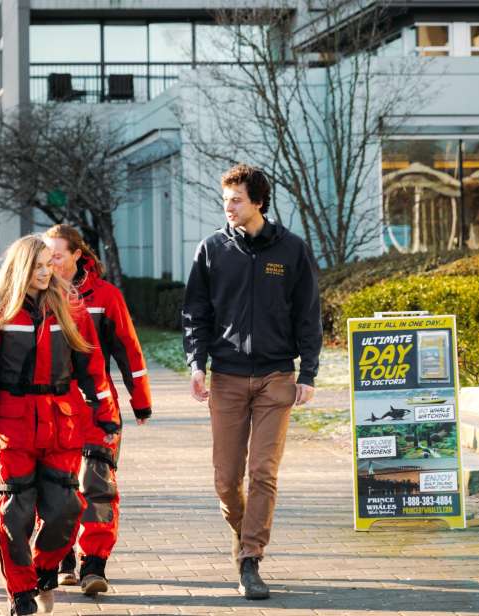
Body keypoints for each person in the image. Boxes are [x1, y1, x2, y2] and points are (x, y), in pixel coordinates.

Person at [182, 164, 321, 600]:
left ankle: (250, 559)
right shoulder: (211, 249)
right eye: (225, 199)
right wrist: (195, 364)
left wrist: (309, 372)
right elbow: (195, 313)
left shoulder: (292, 251)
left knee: (263, 471)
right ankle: (244, 535)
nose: (229, 207)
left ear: (258, 201)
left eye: (236, 199)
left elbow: (308, 315)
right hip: (226, 376)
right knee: (226, 479)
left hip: (276, 377)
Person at [0, 235, 119, 616]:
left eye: (49, 263)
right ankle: (20, 592)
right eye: (38, 265)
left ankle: (44, 570)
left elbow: (92, 368)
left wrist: (106, 415)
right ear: (20, 268)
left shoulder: (69, 306)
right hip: (11, 426)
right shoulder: (0, 311)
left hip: (60, 423)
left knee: (66, 507)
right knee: (16, 511)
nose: (46, 271)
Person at [43, 224, 152, 597]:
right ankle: (62, 559)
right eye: (46, 256)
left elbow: (129, 352)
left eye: (57, 255)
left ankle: (94, 563)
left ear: (76, 254)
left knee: (98, 486)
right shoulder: (35, 296)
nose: (51, 262)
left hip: (96, 406)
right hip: (52, 409)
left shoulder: (106, 297)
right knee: (57, 487)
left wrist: (141, 401)